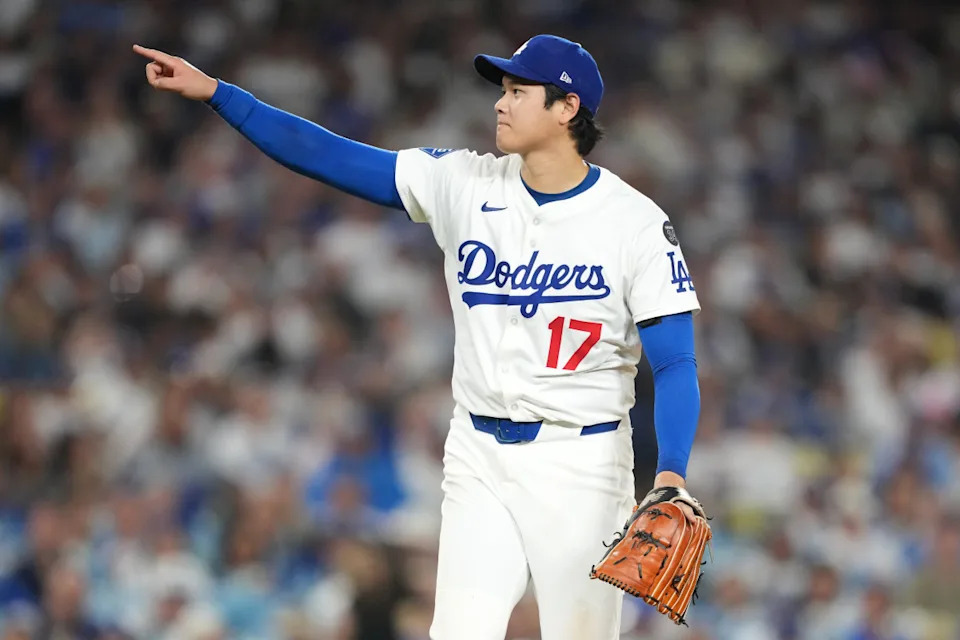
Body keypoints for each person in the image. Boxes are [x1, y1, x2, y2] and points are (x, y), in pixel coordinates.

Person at [133, 33, 703, 640]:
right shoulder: (463, 181)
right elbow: (328, 155)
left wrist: (669, 472)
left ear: (567, 108)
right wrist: (219, 95)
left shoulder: (634, 222)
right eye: (502, 91)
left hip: (582, 462)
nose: (500, 104)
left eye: (518, 91)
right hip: (478, 453)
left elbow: (673, 364)